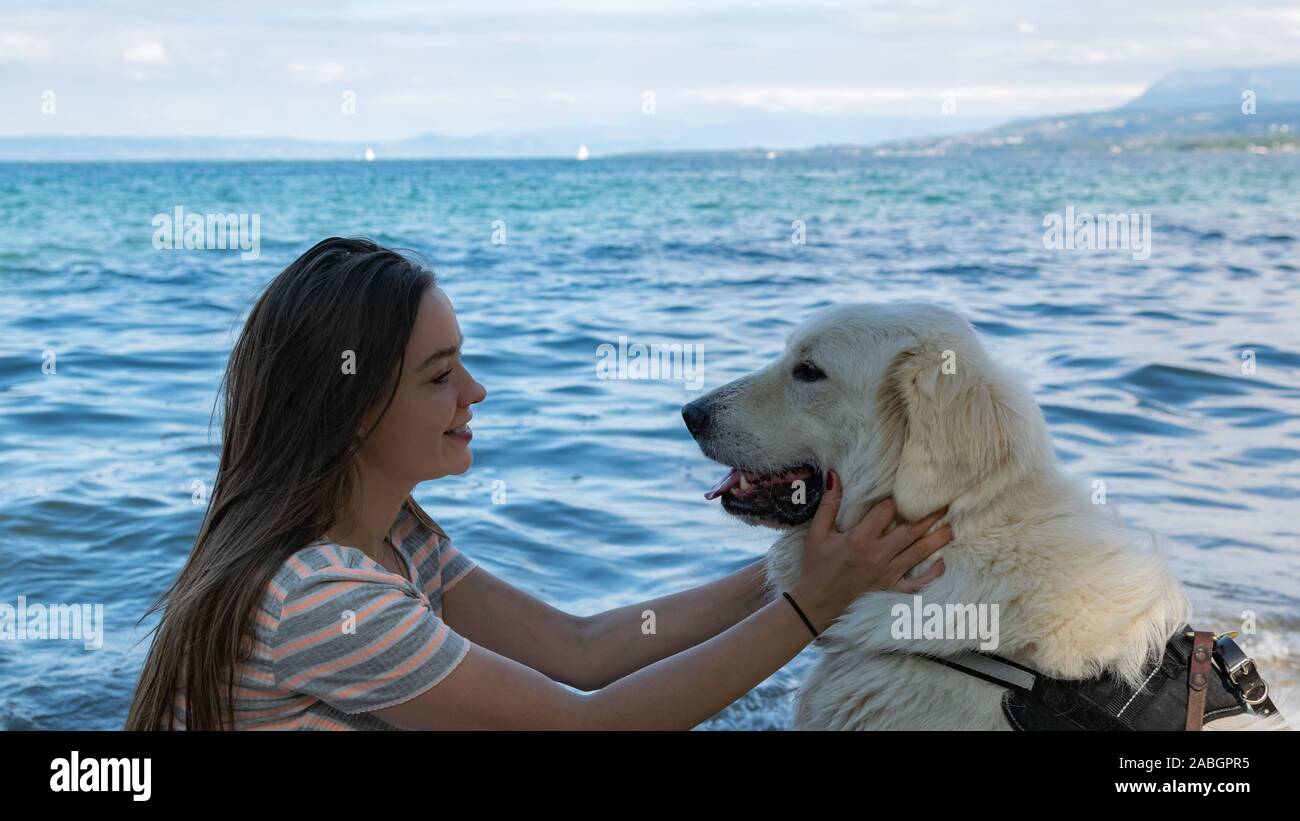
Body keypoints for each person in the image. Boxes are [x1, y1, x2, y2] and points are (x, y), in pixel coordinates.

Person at [125, 236, 952, 731]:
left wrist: (804, 566)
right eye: (439, 376)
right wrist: (815, 605)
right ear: (353, 409)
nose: (474, 392)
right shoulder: (322, 597)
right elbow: (583, 724)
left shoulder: (395, 538)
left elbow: (581, 650)